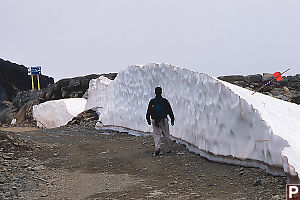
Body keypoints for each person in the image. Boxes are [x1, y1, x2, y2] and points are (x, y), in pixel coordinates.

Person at [146, 87, 175, 156]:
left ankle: (157, 148)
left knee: (156, 135)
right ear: (161, 92)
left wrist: (148, 120)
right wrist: (172, 119)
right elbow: (169, 110)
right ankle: (167, 149)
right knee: (166, 134)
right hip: (163, 119)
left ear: (155, 92)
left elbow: (148, 111)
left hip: (154, 120)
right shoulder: (165, 101)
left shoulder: (152, 101)